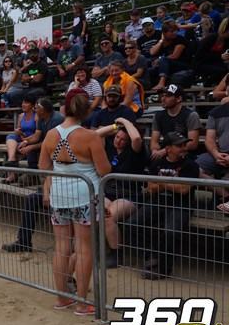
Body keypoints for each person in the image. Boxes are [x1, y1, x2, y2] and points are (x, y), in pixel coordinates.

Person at [39, 91, 110, 315]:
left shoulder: (51, 134)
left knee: (61, 248)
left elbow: (43, 166)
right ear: (85, 109)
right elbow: (104, 170)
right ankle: (81, 302)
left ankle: (62, 298)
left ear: (65, 108)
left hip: (60, 195)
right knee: (83, 249)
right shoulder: (90, 136)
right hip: (84, 196)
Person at [124, 132, 200, 280]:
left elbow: (183, 189)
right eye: (179, 145)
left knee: (170, 231)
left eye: (185, 144)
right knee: (131, 224)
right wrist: (170, 184)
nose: (184, 148)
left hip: (180, 205)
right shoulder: (157, 164)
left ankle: (164, 268)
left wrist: (161, 182)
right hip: (157, 202)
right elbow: (151, 188)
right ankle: (152, 256)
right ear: (168, 148)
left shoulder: (190, 165)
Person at [95, 118, 146, 268]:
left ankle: (116, 255)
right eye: (117, 137)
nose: (118, 141)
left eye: (123, 139)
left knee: (109, 217)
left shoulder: (135, 152)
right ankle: (93, 249)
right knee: (95, 212)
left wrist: (125, 121)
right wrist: (114, 126)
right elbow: (96, 135)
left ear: (128, 142)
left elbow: (136, 138)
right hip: (108, 192)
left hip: (129, 194)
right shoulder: (110, 148)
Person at [149, 84, 201, 161]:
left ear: (178, 99)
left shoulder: (191, 115)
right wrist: (155, 151)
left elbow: (193, 144)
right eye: (162, 96)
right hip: (166, 152)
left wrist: (165, 151)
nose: (163, 99)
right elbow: (154, 141)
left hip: (185, 154)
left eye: (167, 96)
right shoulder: (158, 116)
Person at [195, 101, 229, 202]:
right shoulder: (216, 112)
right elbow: (209, 139)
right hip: (221, 153)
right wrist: (216, 154)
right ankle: (227, 196)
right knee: (193, 169)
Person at [20, 97, 64, 171]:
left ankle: (43, 171)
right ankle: (32, 172)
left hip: (59, 145)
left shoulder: (56, 119)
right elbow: (36, 137)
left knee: (31, 148)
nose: (34, 110)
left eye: (36, 108)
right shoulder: (41, 118)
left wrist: (31, 147)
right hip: (48, 142)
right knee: (30, 147)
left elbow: (51, 142)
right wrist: (26, 141)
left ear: (42, 110)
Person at [3, 95, 37, 183]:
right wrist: (18, 133)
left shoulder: (36, 116)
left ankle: (14, 172)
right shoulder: (21, 116)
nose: (23, 105)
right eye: (22, 103)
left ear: (32, 105)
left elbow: (38, 134)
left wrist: (26, 140)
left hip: (32, 139)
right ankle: (12, 160)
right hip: (22, 138)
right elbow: (19, 130)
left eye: (26, 103)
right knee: (10, 136)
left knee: (16, 146)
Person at [149, 20, 189, 92]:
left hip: (182, 64)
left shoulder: (180, 39)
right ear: (164, 33)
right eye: (171, 31)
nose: (175, 33)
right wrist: (161, 40)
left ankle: (161, 83)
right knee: (149, 69)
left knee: (163, 60)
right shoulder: (164, 41)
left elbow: (175, 56)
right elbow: (152, 52)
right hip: (168, 66)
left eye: (175, 30)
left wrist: (160, 60)